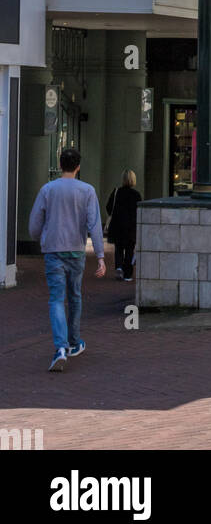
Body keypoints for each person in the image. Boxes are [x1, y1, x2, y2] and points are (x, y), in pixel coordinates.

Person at [28, 148, 106, 372]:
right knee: (75, 296)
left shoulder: (48, 189)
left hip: (53, 250)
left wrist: (40, 237)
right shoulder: (87, 191)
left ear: (60, 164)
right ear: (78, 166)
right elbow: (94, 225)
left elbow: (34, 223)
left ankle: (60, 347)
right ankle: (74, 342)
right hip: (76, 250)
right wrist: (100, 256)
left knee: (56, 299)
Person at [105, 169, 142, 281]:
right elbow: (139, 211)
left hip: (117, 226)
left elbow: (108, 207)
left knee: (119, 248)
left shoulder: (116, 192)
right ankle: (128, 274)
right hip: (131, 228)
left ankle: (119, 267)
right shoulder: (136, 195)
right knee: (130, 250)